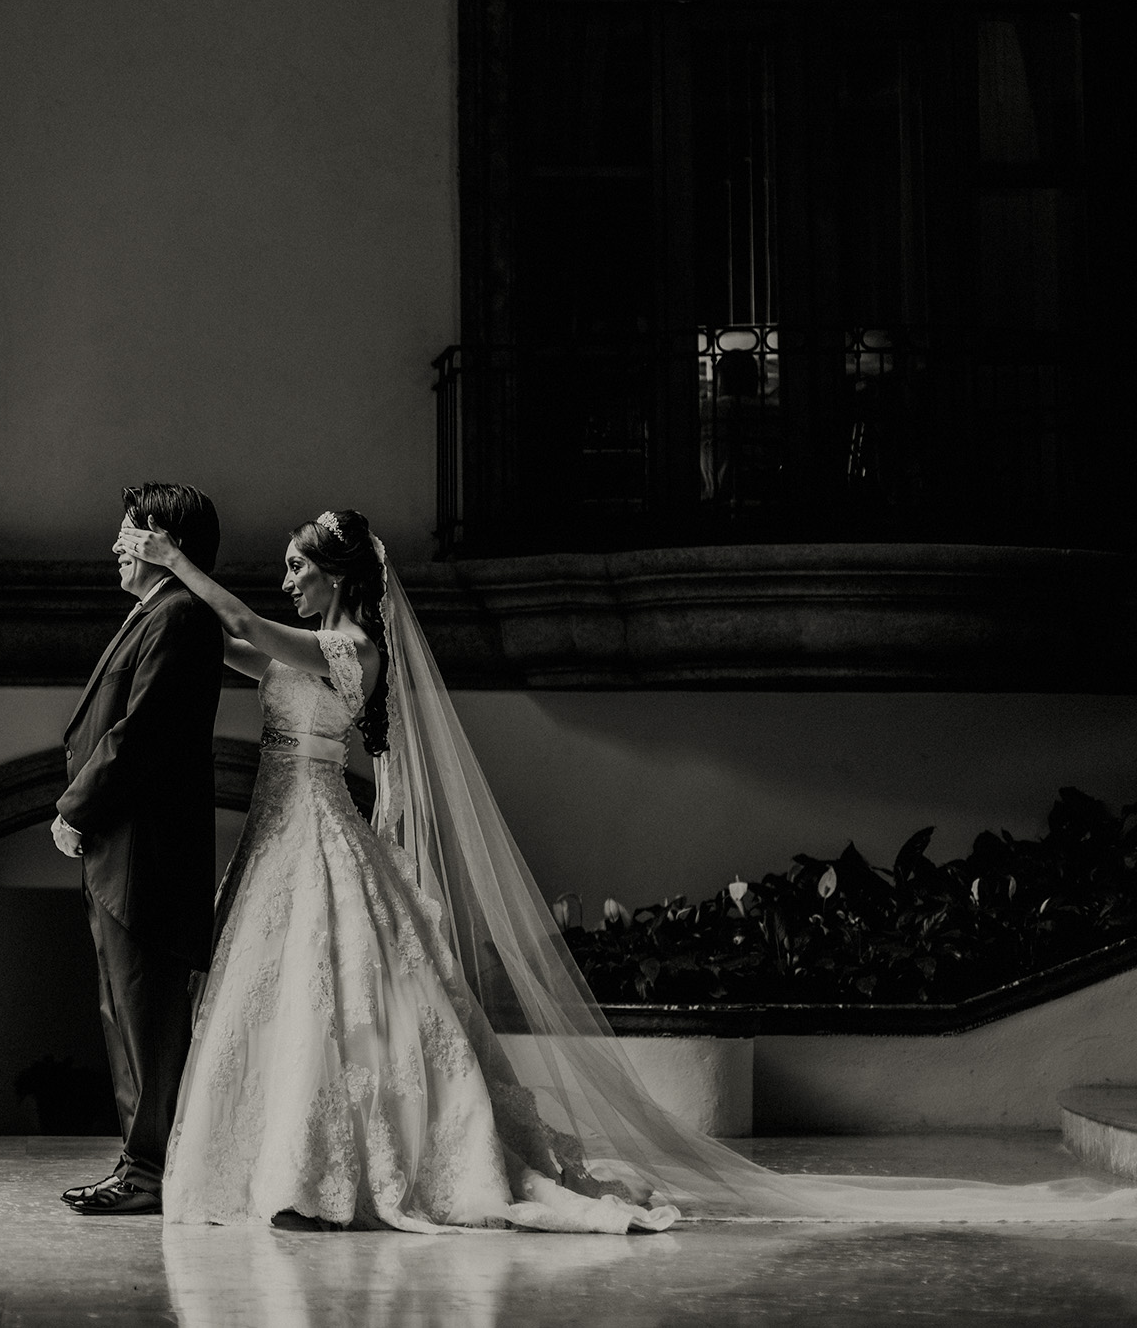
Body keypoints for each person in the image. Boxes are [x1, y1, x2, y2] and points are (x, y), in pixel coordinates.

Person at [120, 510, 1136, 1231]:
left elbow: (249, 630)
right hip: (278, 834)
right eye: (288, 567)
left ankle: (354, 1167)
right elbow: (240, 651)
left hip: (321, 834)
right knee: (298, 1007)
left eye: (299, 564)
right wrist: (165, 587)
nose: (286, 575)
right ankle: (286, 1162)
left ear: (335, 576)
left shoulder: (345, 646)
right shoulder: (306, 644)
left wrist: (176, 559)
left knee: (341, 1002)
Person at [53, 484, 226, 1216]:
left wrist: (74, 807)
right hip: (120, 846)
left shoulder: (182, 615)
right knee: (123, 1010)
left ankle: (149, 1171)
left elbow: (141, 733)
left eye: (128, 531)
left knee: (147, 1013)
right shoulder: (158, 612)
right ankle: (140, 1162)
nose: (116, 545)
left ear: (162, 538)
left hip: (145, 851)